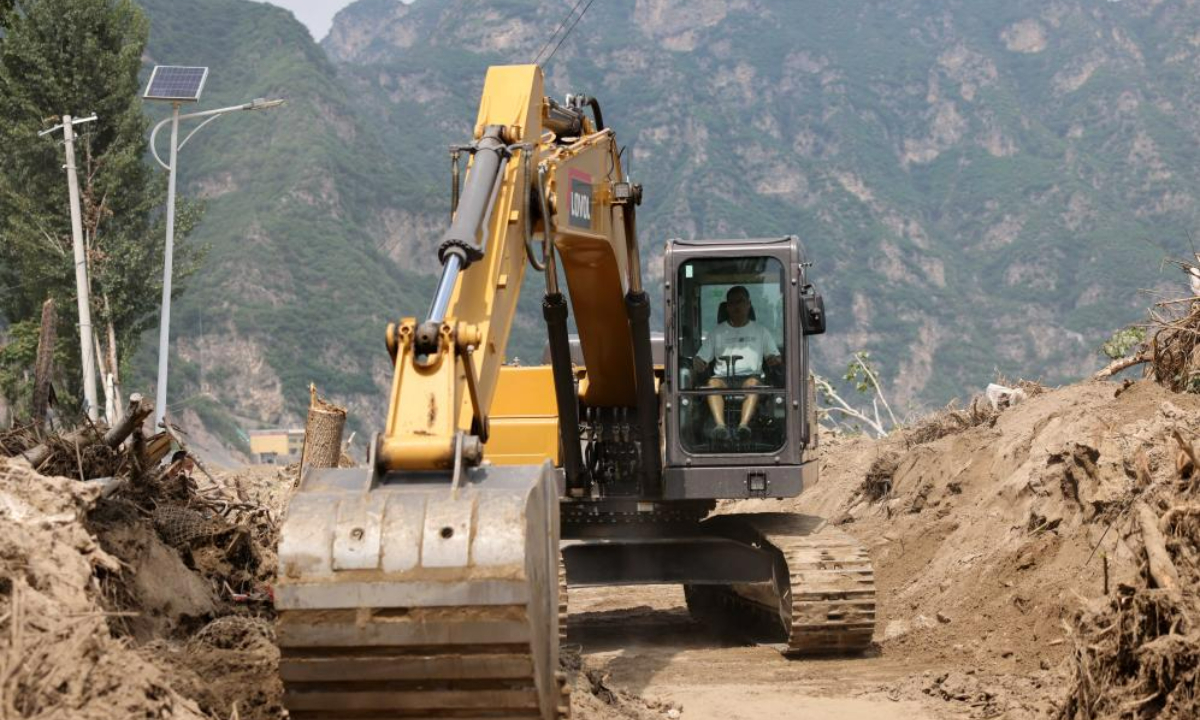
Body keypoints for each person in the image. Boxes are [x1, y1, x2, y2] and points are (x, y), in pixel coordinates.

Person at [692, 285, 781, 441]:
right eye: (732, 302)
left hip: (750, 378)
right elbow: (701, 359)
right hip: (723, 379)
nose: (737, 306)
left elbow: (775, 356)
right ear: (727, 307)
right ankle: (720, 427)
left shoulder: (761, 331)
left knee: (753, 383)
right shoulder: (717, 332)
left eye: (740, 301)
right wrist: (698, 363)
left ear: (748, 304)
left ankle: (743, 426)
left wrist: (774, 359)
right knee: (712, 383)